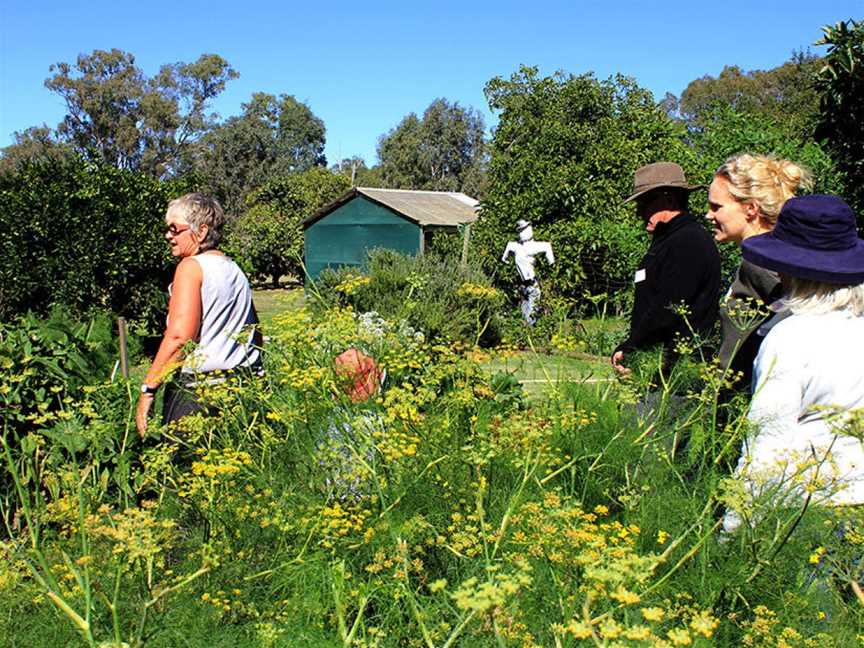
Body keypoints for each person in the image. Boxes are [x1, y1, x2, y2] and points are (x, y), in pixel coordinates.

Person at [722, 195, 864, 533]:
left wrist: (733, 529)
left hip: (806, 511)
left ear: (792, 268)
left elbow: (766, 444)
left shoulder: (789, 337)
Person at [135, 193, 262, 437]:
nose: (168, 236)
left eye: (175, 229)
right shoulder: (235, 270)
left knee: (185, 469)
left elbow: (180, 338)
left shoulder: (191, 268)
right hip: (240, 390)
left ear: (201, 232)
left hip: (197, 395)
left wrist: (148, 388)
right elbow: (255, 334)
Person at [706, 154, 812, 389]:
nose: (708, 215)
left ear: (751, 209)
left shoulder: (763, 266)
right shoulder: (759, 261)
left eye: (716, 207)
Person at [612, 162, 721, 376]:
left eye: (644, 203)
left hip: (676, 374)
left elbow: (666, 308)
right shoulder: (668, 240)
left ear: (668, 199)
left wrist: (632, 347)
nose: (639, 212)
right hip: (656, 367)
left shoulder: (688, 242)